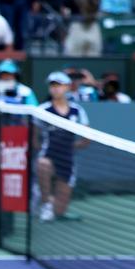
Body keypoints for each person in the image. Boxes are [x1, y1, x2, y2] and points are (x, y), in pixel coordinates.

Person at [35, 71, 89, 222]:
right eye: (52, 85)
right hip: (48, 156)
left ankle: (49, 200)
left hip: (67, 161)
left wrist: (72, 147)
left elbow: (87, 138)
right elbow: (34, 137)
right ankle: (45, 201)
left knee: (58, 212)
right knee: (42, 164)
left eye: (59, 85)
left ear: (67, 87)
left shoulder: (77, 111)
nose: (55, 89)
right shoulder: (42, 110)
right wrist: (41, 149)